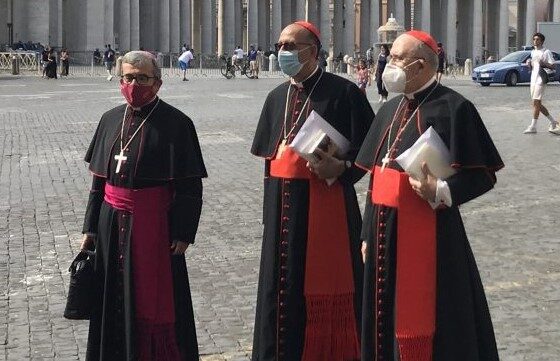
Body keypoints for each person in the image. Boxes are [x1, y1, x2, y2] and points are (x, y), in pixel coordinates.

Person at [355, 30, 503, 361]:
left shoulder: (455, 107)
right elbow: (374, 176)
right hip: (382, 233)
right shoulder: (389, 110)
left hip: (431, 236)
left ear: (421, 65)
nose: (388, 63)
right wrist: (366, 232)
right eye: (389, 56)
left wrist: (442, 190)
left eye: (396, 58)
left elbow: (482, 175)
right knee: (382, 311)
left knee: (434, 319)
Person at [251, 21, 374, 361]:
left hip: (327, 207)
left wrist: (344, 168)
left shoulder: (344, 92)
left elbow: (369, 153)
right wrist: (268, 217)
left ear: (313, 51)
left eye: (291, 45)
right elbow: (268, 160)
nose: (282, 52)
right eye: (280, 45)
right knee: (279, 289)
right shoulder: (276, 97)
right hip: (281, 213)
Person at [79, 51, 207, 360]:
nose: (134, 84)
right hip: (111, 223)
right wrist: (90, 229)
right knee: (112, 296)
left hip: (154, 226)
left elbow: (190, 185)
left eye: (142, 78)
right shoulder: (109, 119)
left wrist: (183, 232)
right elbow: (98, 182)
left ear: (158, 83)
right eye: (128, 77)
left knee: (152, 297)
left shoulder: (177, 123)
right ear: (120, 79)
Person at [523, 32, 560, 134]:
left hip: (541, 79)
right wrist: (529, 64)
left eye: (537, 39)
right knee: (536, 104)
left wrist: (543, 63)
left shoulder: (546, 52)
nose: (535, 41)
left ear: (542, 41)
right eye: (534, 39)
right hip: (533, 79)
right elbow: (533, 68)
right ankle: (553, 122)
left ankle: (533, 126)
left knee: (536, 102)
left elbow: (553, 66)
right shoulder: (533, 52)